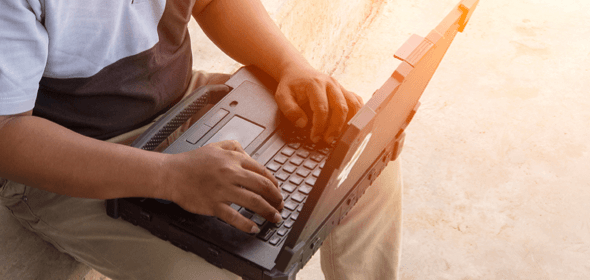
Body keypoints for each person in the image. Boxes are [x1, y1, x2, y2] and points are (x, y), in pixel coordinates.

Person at [0, 0, 403, 279]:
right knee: (227, 271)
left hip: (188, 104)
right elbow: (7, 134)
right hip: (81, 155)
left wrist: (290, 66)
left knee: (362, 170)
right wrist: (169, 176)